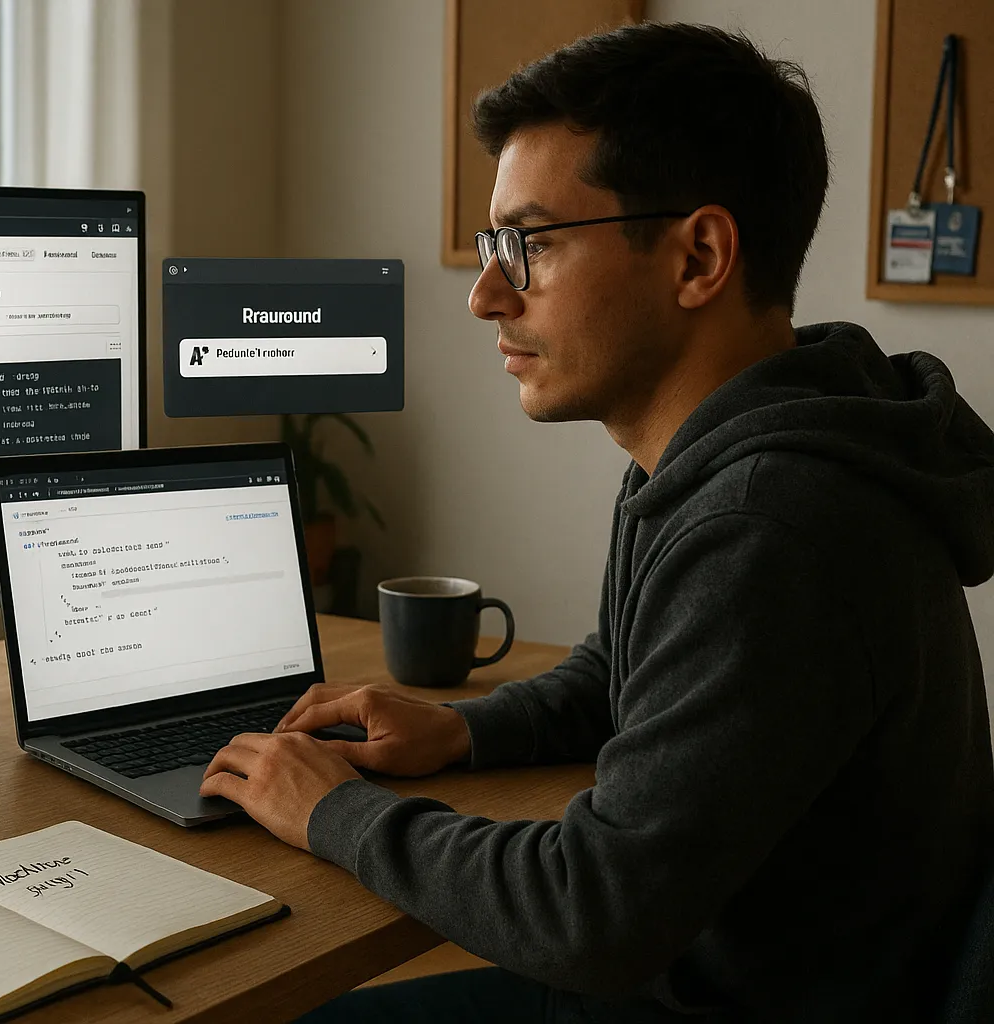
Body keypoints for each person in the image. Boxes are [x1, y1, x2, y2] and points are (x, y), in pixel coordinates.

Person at [198, 21, 994, 1023]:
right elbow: (622, 672)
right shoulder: (727, 448)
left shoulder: (773, 527)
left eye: (528, 245)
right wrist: (459, 730)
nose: (487, 294)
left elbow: (592, 910)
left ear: (698, 254)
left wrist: (333, 810)